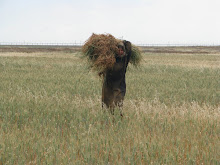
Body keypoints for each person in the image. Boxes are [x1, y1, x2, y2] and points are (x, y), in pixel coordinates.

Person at [101, 40, 131, 117]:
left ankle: (118, 120)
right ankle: (108, 120)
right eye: (118, 49)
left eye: (122, 50)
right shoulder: (110, 59)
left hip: (119, 85)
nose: (120, 51)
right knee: (106, 104)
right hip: (108, 85)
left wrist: (119, 41)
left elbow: (128, 45)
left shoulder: (125, 59)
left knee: (118, 104)